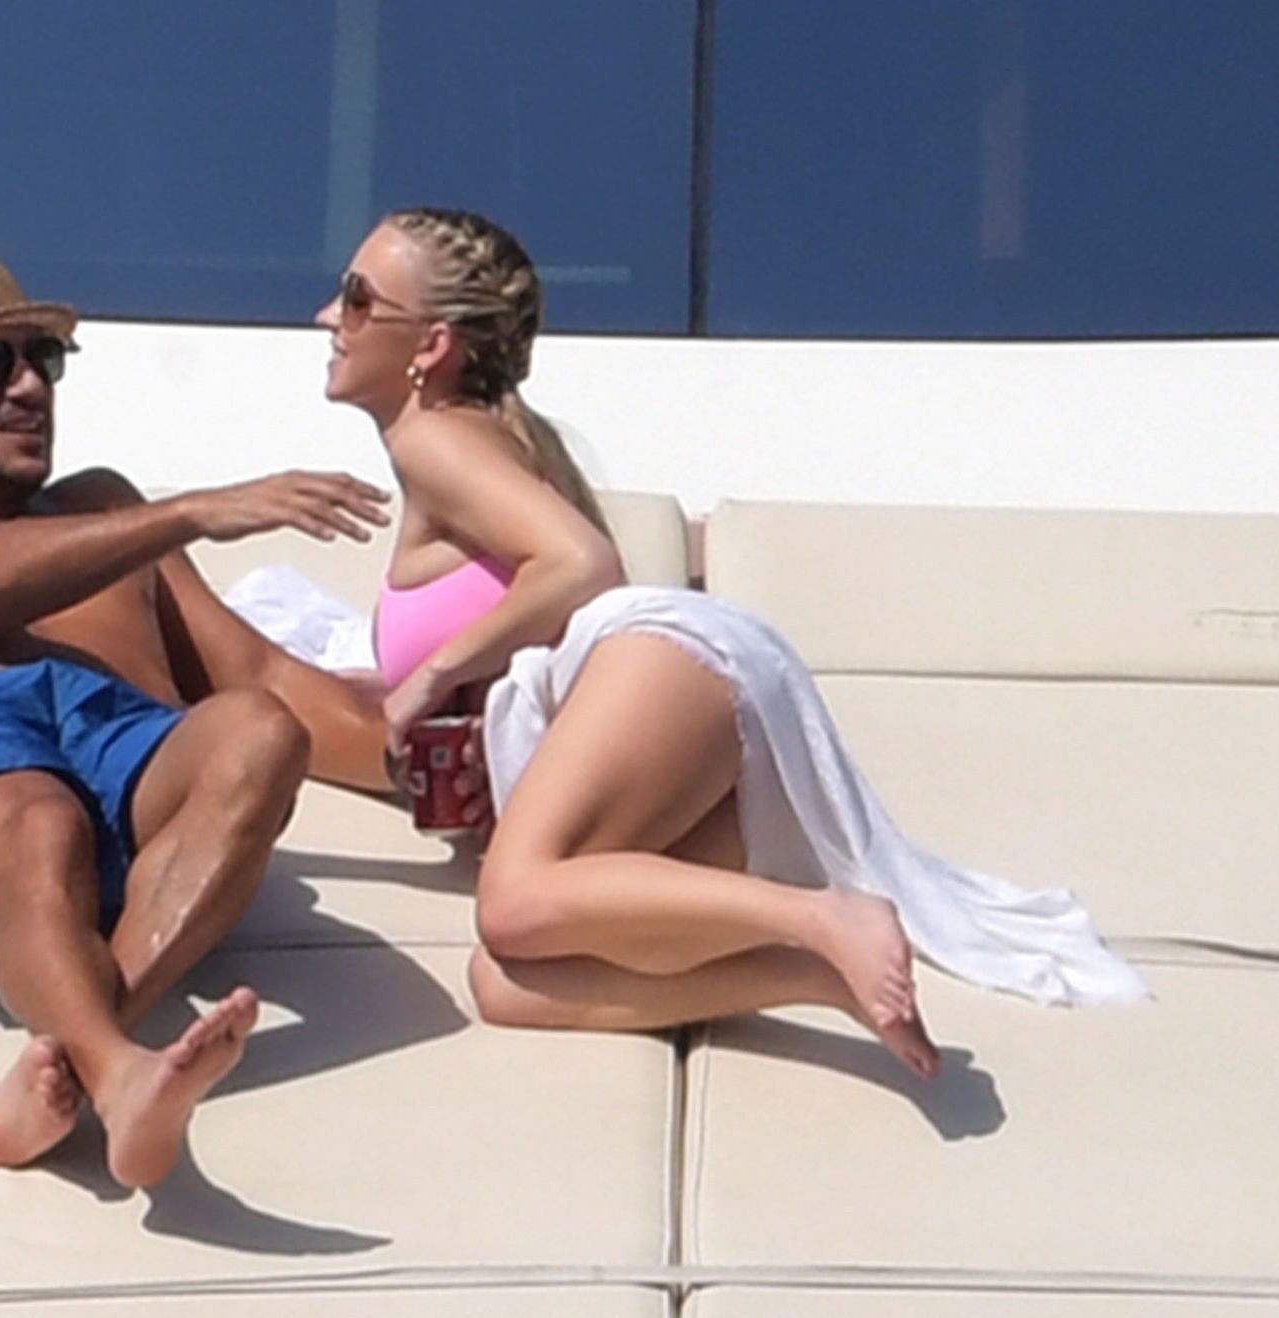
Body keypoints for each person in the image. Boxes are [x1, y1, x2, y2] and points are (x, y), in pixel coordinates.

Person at [314, 207, 1149, 1077]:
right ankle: (815, 971)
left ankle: (824, 916)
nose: (330, 317)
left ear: (433, 346)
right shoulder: (483, 442)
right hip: (659, 697)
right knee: (509, 984)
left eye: (358, 298)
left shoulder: (435, 438)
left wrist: (431, 675)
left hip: (658, 661)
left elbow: (583, 562)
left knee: (513, 904)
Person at [0, 240, 394, 1189]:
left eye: (43, 359)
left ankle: (100, 1065)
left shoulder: (100, 510)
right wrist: (189, 513)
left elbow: (261, 673)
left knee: (259, 731)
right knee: (38, 817)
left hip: (120, 755)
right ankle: (111, 1066)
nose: (28, 386)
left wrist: (431, 762)